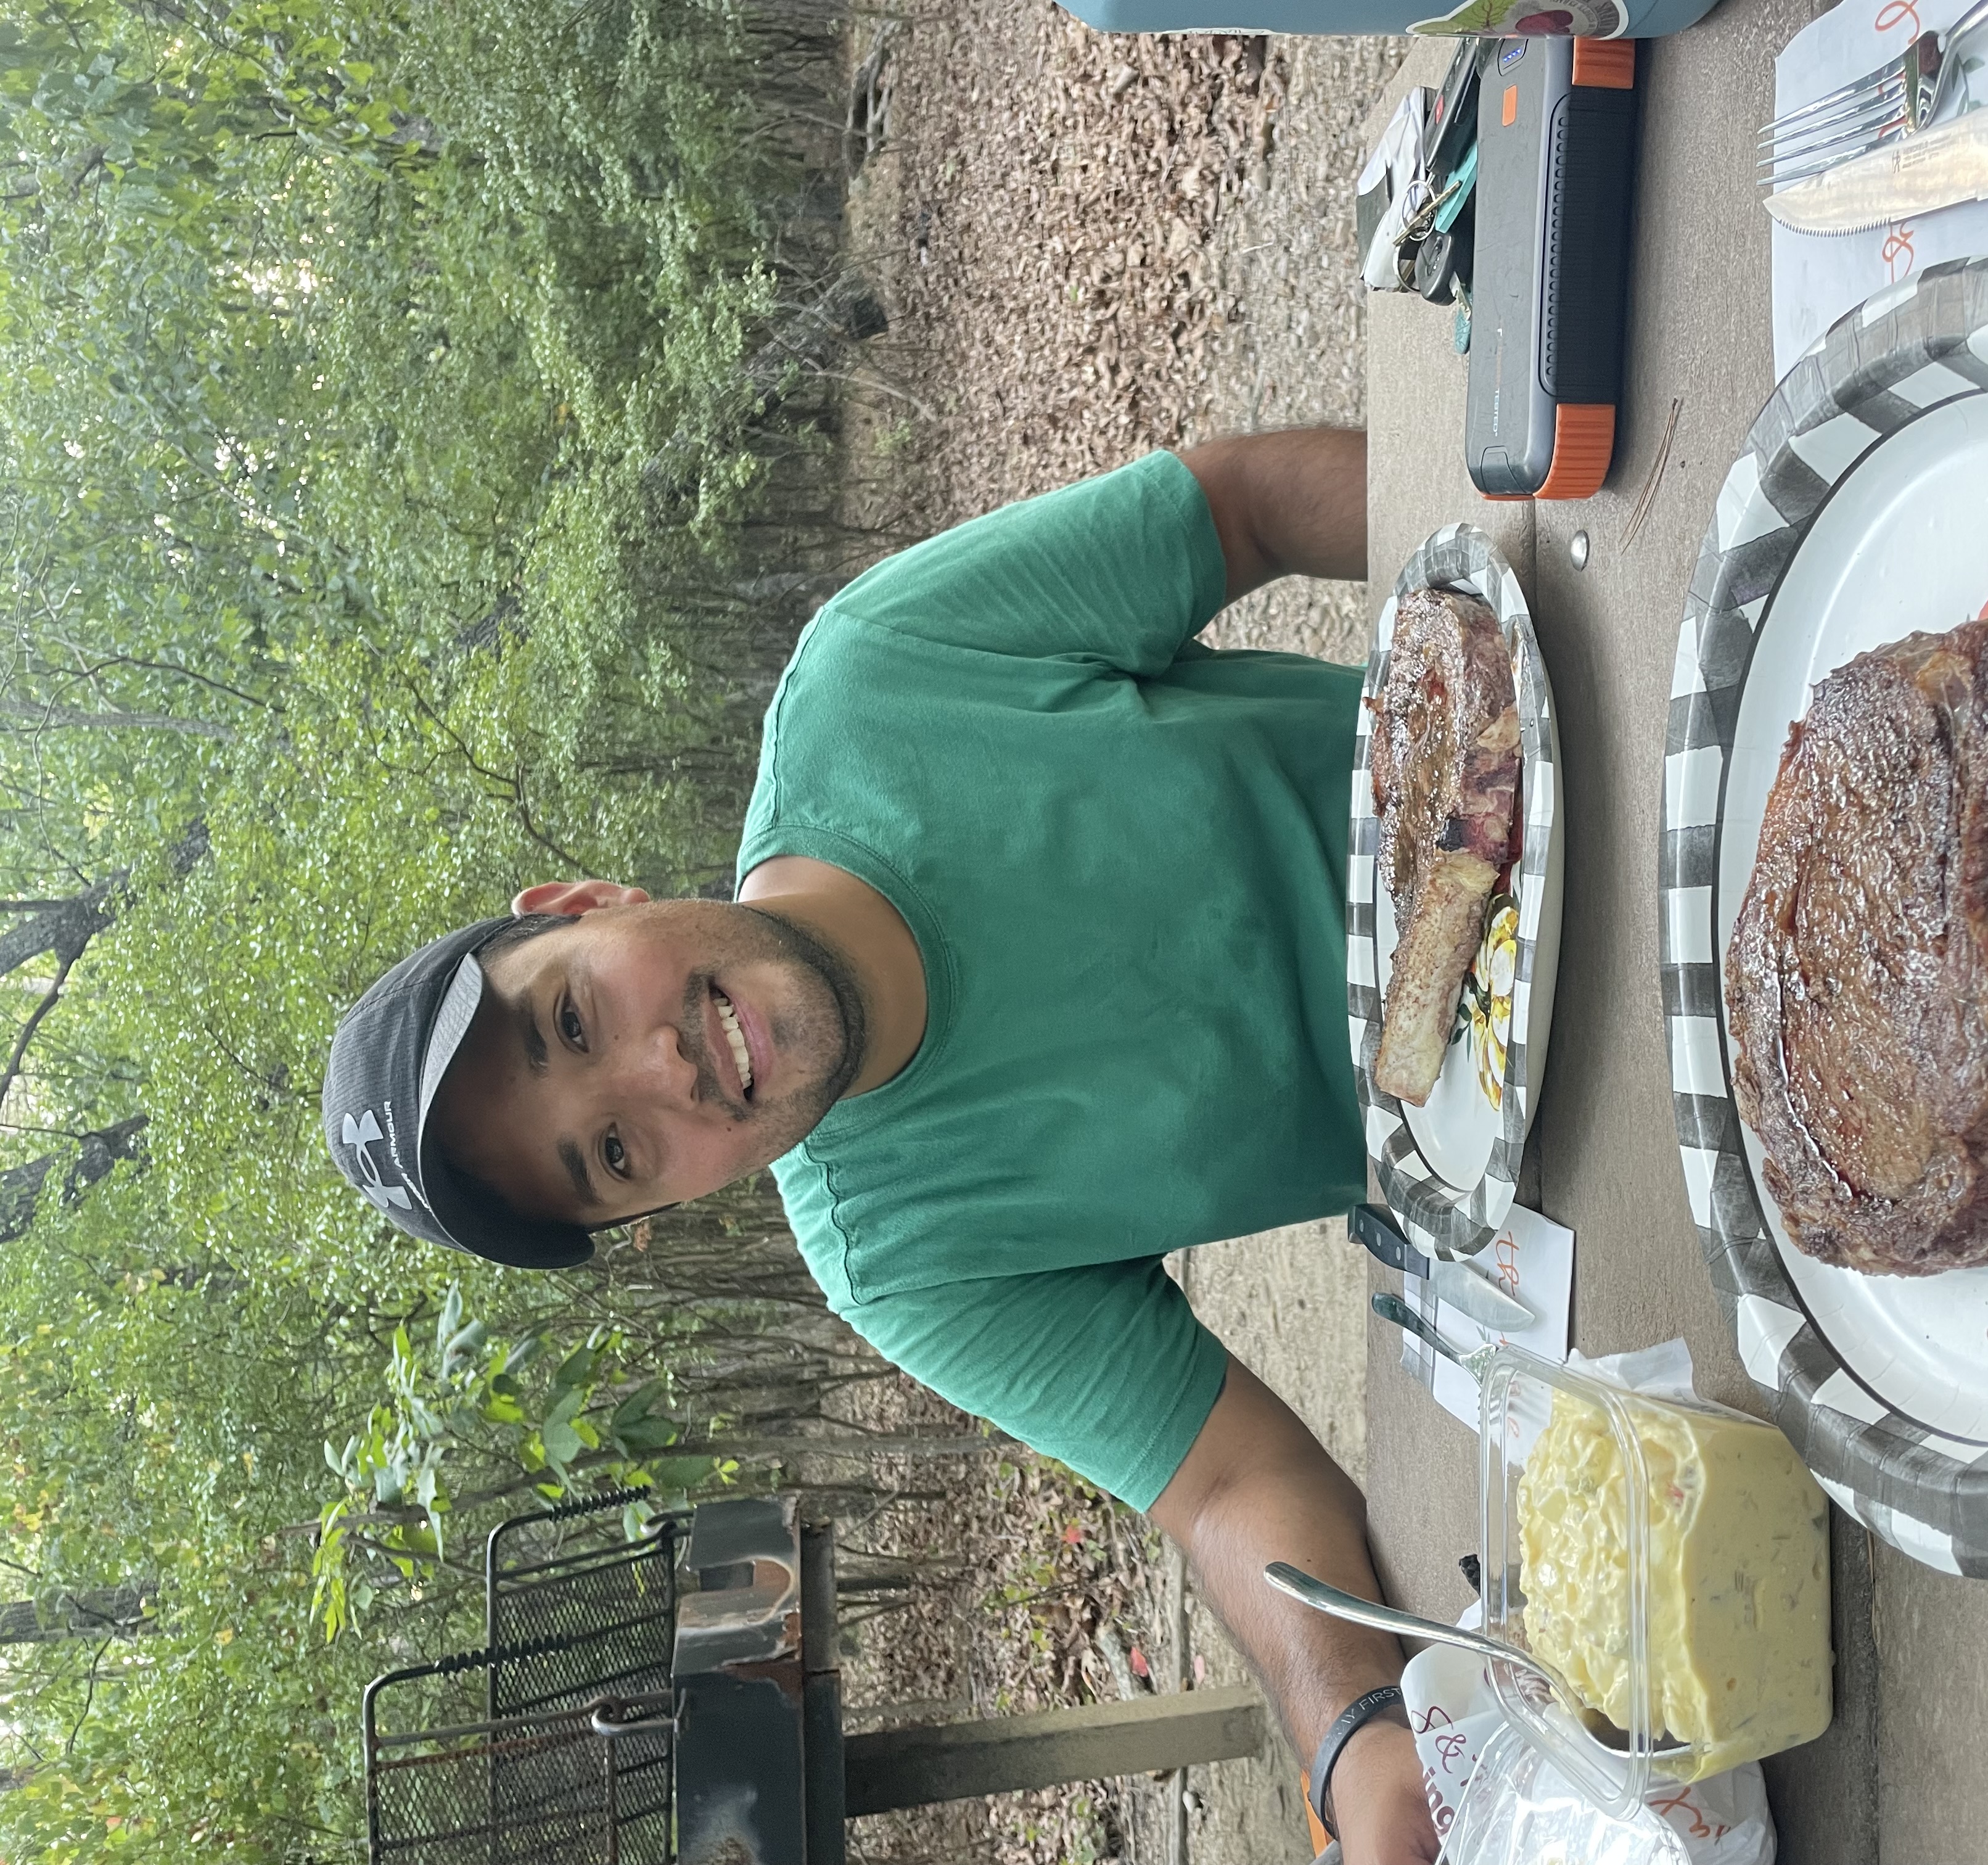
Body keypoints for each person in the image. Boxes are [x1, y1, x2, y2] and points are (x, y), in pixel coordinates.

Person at [322, 428, 1444, 1863]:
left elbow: (1236, 512)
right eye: (612, 1154)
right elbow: (1223, 1483)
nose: (662, 1073)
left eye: (575, 1019)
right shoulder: (899, 1263)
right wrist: (1357, 1746)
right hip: (1527, 1138)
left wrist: (1497, 539)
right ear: (657, 1208)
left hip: (1506, 756)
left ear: (584, 902)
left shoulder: (871, 677)